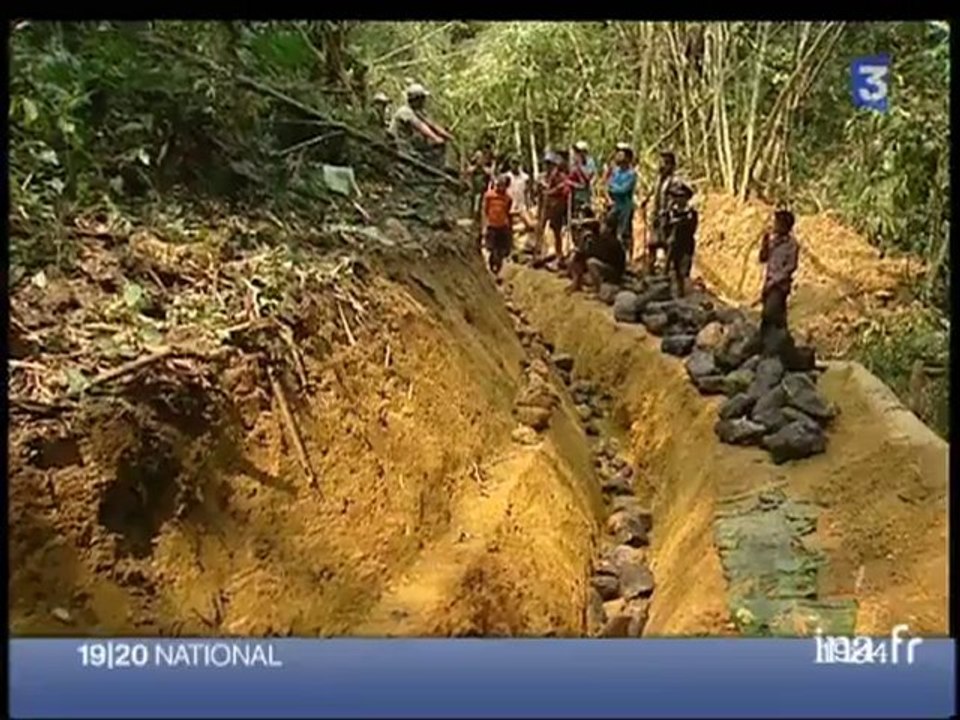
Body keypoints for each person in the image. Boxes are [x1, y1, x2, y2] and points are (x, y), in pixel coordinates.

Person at [758, 209, 800, 357]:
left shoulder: (792, 245)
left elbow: (790, 267)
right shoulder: (772, 241)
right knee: (778, 317)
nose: (774, 225)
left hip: (779, 286)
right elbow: (763, 259)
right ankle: (779, 346)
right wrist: (764, 243)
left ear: (785, 226)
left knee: (769, 315)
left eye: (777, 222)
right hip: (768, 283)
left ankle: (769, 346)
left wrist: (775, 281)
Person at [388, 83, 453, 166]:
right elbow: (420, 126)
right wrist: (436, 138)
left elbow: (431, 124)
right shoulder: (405, 111)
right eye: (422, 99)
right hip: (399, 146)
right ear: (416, 99)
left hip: (408, 145)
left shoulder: (417, 112)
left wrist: (447, 136)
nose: (424, 102)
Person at [567, 209, 626, 294]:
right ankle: (576, 284)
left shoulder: (613, 242)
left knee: (591, 263)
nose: (601, 227)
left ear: (609, 229)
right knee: (578, 257)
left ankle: (598, 291)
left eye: (604, 225)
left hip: (614, 272)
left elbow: (603, 257)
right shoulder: (601, 237)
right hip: (606, 266)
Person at [641, 151, 678, 274]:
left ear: (672, 166)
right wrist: (645, 201)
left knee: (667, 245)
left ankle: (668, 273)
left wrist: (667, 211)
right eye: (661, 162)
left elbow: (675, 200)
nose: (662, 166)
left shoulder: (674, 181)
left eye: (666, 163)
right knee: (652, 245)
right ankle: (650, 271)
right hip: (655, 216)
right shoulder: (657, 180)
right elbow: (652, 193)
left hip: (667, 218)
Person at [536, 151, 571, 265]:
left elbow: (564, 189)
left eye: (550, 164)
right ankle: (538, 253)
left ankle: (559, 255)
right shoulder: (542, 177)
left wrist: (550, 191)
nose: (548, 166)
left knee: (557, 231)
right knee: (540, 228)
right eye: (547, 164)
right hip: (545, 207)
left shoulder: (560, 177)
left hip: (556, 207)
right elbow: (539, 193)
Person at [663, 182, 698, 298]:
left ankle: (683, 294)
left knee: (684, 272)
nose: (677, 199)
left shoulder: (691, 213)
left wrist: (679, 223)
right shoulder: (670, 212)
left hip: (686, 245)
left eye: (681, 196)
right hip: (674, 246)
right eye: (676, 196)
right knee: (675, 271)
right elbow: (665, 227)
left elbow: (692, 228)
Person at [605, 142, 638, 258]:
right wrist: (613, 188)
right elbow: (609, 185)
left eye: (621, 154)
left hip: (626, 206)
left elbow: (624, 189)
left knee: (624, 231)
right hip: (615, 205)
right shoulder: (616, 171)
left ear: (628, 157)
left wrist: (614, 188)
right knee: (609, 227)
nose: (618, 155)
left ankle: (627, 257)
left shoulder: (632, 174)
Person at [483, 174, 514, 277]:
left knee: (501, 249)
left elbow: (508, 211)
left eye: (503, 185)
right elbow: (485, 210)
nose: (501, 187)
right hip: (492, 224)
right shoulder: (489, 196)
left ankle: (498, 270)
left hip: (502, 225)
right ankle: (492, 267)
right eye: (499, 185)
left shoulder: (508, 198)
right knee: (492, 248)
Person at [466, 144, 496, 246]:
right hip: (474, 194)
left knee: (483, 215)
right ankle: (473, 233)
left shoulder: (485, 170)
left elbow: (492, 176)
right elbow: (467, 172)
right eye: (477, 158)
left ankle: (483, 236)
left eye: (480, 158)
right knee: (474, 213)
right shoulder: (473, 169)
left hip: (484, 195)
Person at [569, 140, 597, 215]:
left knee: (585, 208)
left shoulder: (590, 162)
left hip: (586, 191)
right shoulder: (574, 162)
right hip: (575, 191)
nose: (577, 153)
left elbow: (589, 176)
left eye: (579, 151)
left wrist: (579, 166)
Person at [506, 157, 534, 233]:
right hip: (509, 204)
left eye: (516, 163)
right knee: (508, 227)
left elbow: (527, 191)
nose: (514, 165)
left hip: (521, 204)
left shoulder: (525, 177)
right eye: (513, 163)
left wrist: (529, 203)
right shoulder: (507, 176)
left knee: (530, 225)